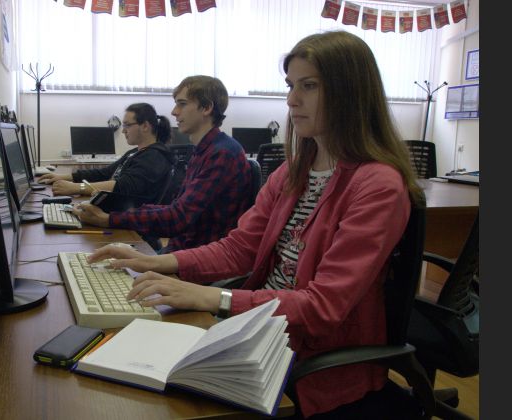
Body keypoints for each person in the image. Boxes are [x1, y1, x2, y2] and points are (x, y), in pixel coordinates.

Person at [86, 31, 425, 418]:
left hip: (311, 358)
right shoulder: (292, 172)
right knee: (126, 372)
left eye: (309, 86)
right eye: (291, 85)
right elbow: (239, 248)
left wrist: (211, 298)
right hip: (258, 330)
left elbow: (323, 306)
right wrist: (154, 262)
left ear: (351, 92)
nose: (291, 100)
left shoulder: (377, 185)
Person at [72, 75, 254, 253]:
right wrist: (116, 214)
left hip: (196, 257)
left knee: (97, 263)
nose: (174, 111)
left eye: (182, 104)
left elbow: (178, 218)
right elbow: (176, 208)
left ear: (206, 108)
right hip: (183, 251)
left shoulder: (221, 154)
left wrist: (109, 219)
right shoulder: (204, 151)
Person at [38, 103, 174, 204]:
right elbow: (104, 173)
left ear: (145, 126)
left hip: (126, 224)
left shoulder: (155, 157)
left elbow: (122, 186)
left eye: (127, 125)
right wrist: (64, 177)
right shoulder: (135, 152)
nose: (123, 131)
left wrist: (76, 188)